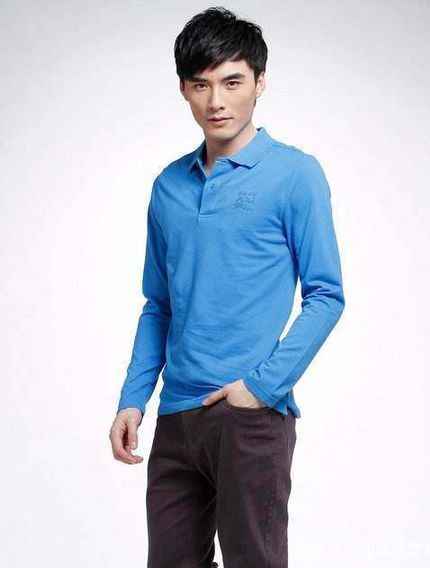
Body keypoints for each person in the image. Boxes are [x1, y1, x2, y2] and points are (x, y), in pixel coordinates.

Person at [109, 6, 345, 567]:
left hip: (249, 417)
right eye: (201, 84)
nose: (216, 100)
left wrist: (261, 388)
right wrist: (133, 399)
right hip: (176, 417)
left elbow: (326, 294)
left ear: (260, 83)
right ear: (184, 90)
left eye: (232, 82)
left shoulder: (294, 175)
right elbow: (158, 305)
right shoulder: (169, 185)